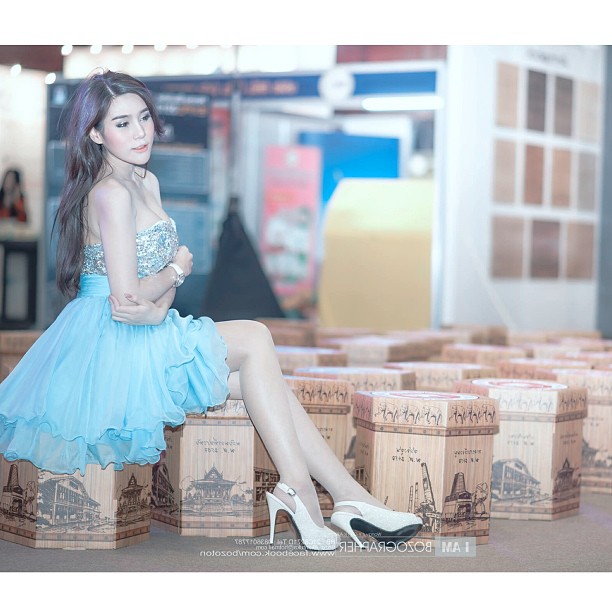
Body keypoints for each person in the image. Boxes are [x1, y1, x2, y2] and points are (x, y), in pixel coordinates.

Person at [0, 70, 422, 550]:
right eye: (122, 124)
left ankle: (349, 498)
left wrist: (162, 301)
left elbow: (155, 299)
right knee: (256, 337)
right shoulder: (109, 193)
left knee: (266, 386)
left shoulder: (147, 181)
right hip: (111, 345)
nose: (140, 133)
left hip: (149, 333)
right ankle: (302, 490)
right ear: (96, 134)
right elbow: (128, 297)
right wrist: (176, 271)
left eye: (144, 118)